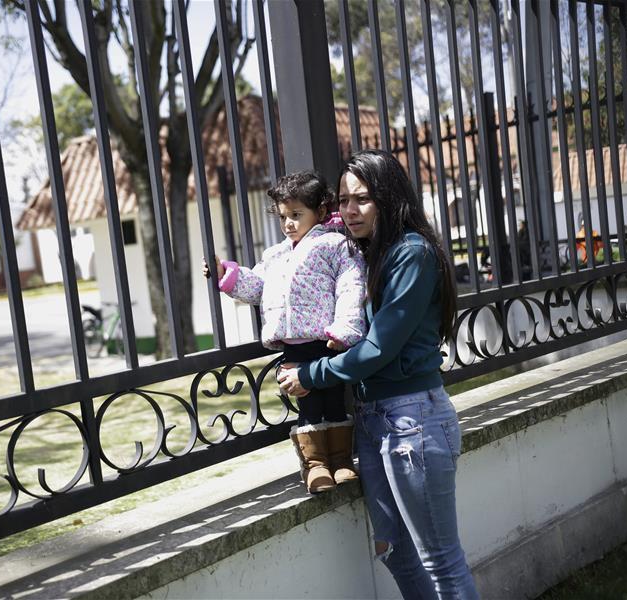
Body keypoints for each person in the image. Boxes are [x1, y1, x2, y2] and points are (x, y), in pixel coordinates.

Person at [277, 150, 479, 599]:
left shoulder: (413, 254)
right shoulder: (365, 253)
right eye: (343, 200)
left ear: (389, 198)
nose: (349, 210)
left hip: (413, 422)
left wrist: (314, 373)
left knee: (441, 561)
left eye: (362, 199)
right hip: (371, 423)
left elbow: (379, 347)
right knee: (394, 552)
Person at [203, 170, 367, 494]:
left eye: (296, 215)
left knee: (334, 399)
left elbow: (352, 287)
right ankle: (316, 464)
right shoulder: (276, 255)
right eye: (283, 217)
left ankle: (341, 461)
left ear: (319, 212)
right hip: (293, 347)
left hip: (327, 341)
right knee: (307, 403)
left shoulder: (336, 245)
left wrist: (346, 330)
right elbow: (257, 286)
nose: (289, 223)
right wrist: (227, 274)